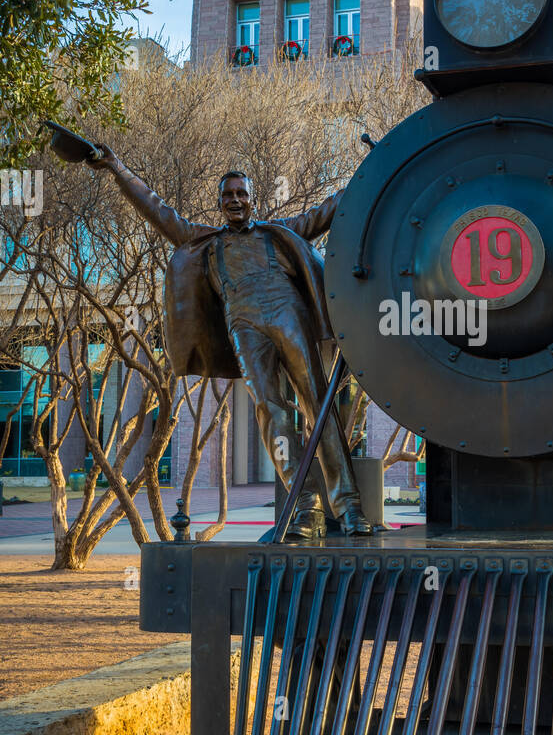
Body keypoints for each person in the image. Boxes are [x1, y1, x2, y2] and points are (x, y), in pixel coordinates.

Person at [89, 147, 372, 538]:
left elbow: (327, 211)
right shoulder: (206, 242)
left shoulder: (278, 233)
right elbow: (157, 209)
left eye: (241, 194)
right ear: (220, 203)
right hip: (243, 326)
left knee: (317, 404)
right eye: (228, 195)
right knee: (270, 412)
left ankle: (350, 508)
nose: (235, 200)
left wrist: (371, 170)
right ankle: (306, 508)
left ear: (253, 200)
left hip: (288, 316)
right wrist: (116, 168)